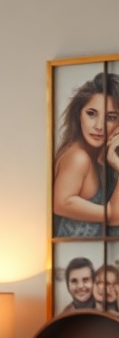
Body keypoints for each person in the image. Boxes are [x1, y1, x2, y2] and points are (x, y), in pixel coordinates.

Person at [53, 72, 119, 237]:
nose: (98, 126)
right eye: (91, 113)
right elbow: (114, 216)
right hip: (75, 258)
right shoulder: (78, 158)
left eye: (110, 117)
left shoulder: (100, 158)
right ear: (78, 115)